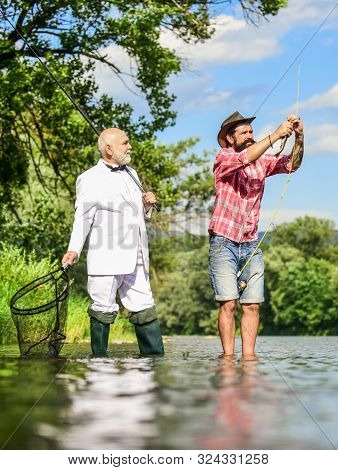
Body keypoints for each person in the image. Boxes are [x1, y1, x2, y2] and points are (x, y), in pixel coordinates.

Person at [209, 111, 304, 359]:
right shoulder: (224, 157)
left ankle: (249, 358)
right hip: (223, 242)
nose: (250, 136)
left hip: (251, 243)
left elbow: (293, 164)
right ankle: (228, 358)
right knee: (228, 303)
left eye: (252, 132)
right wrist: (275, 136)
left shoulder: (262, 162)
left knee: (251, 305)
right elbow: (245, 158)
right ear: (231, 138)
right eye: (245, 132)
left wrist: (299, 138)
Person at [62, 128, 164, 357]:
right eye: (125, 143)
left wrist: (146, 205)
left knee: (145, 307)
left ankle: (154, 363)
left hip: (136, 254)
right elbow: (83, 217)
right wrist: (74, 249)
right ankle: (99, 364)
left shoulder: (132, 174)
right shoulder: (89, 178)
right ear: (109, 149)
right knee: (102, 308)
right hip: (106, 257)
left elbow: (137, 213)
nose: (130, 147)